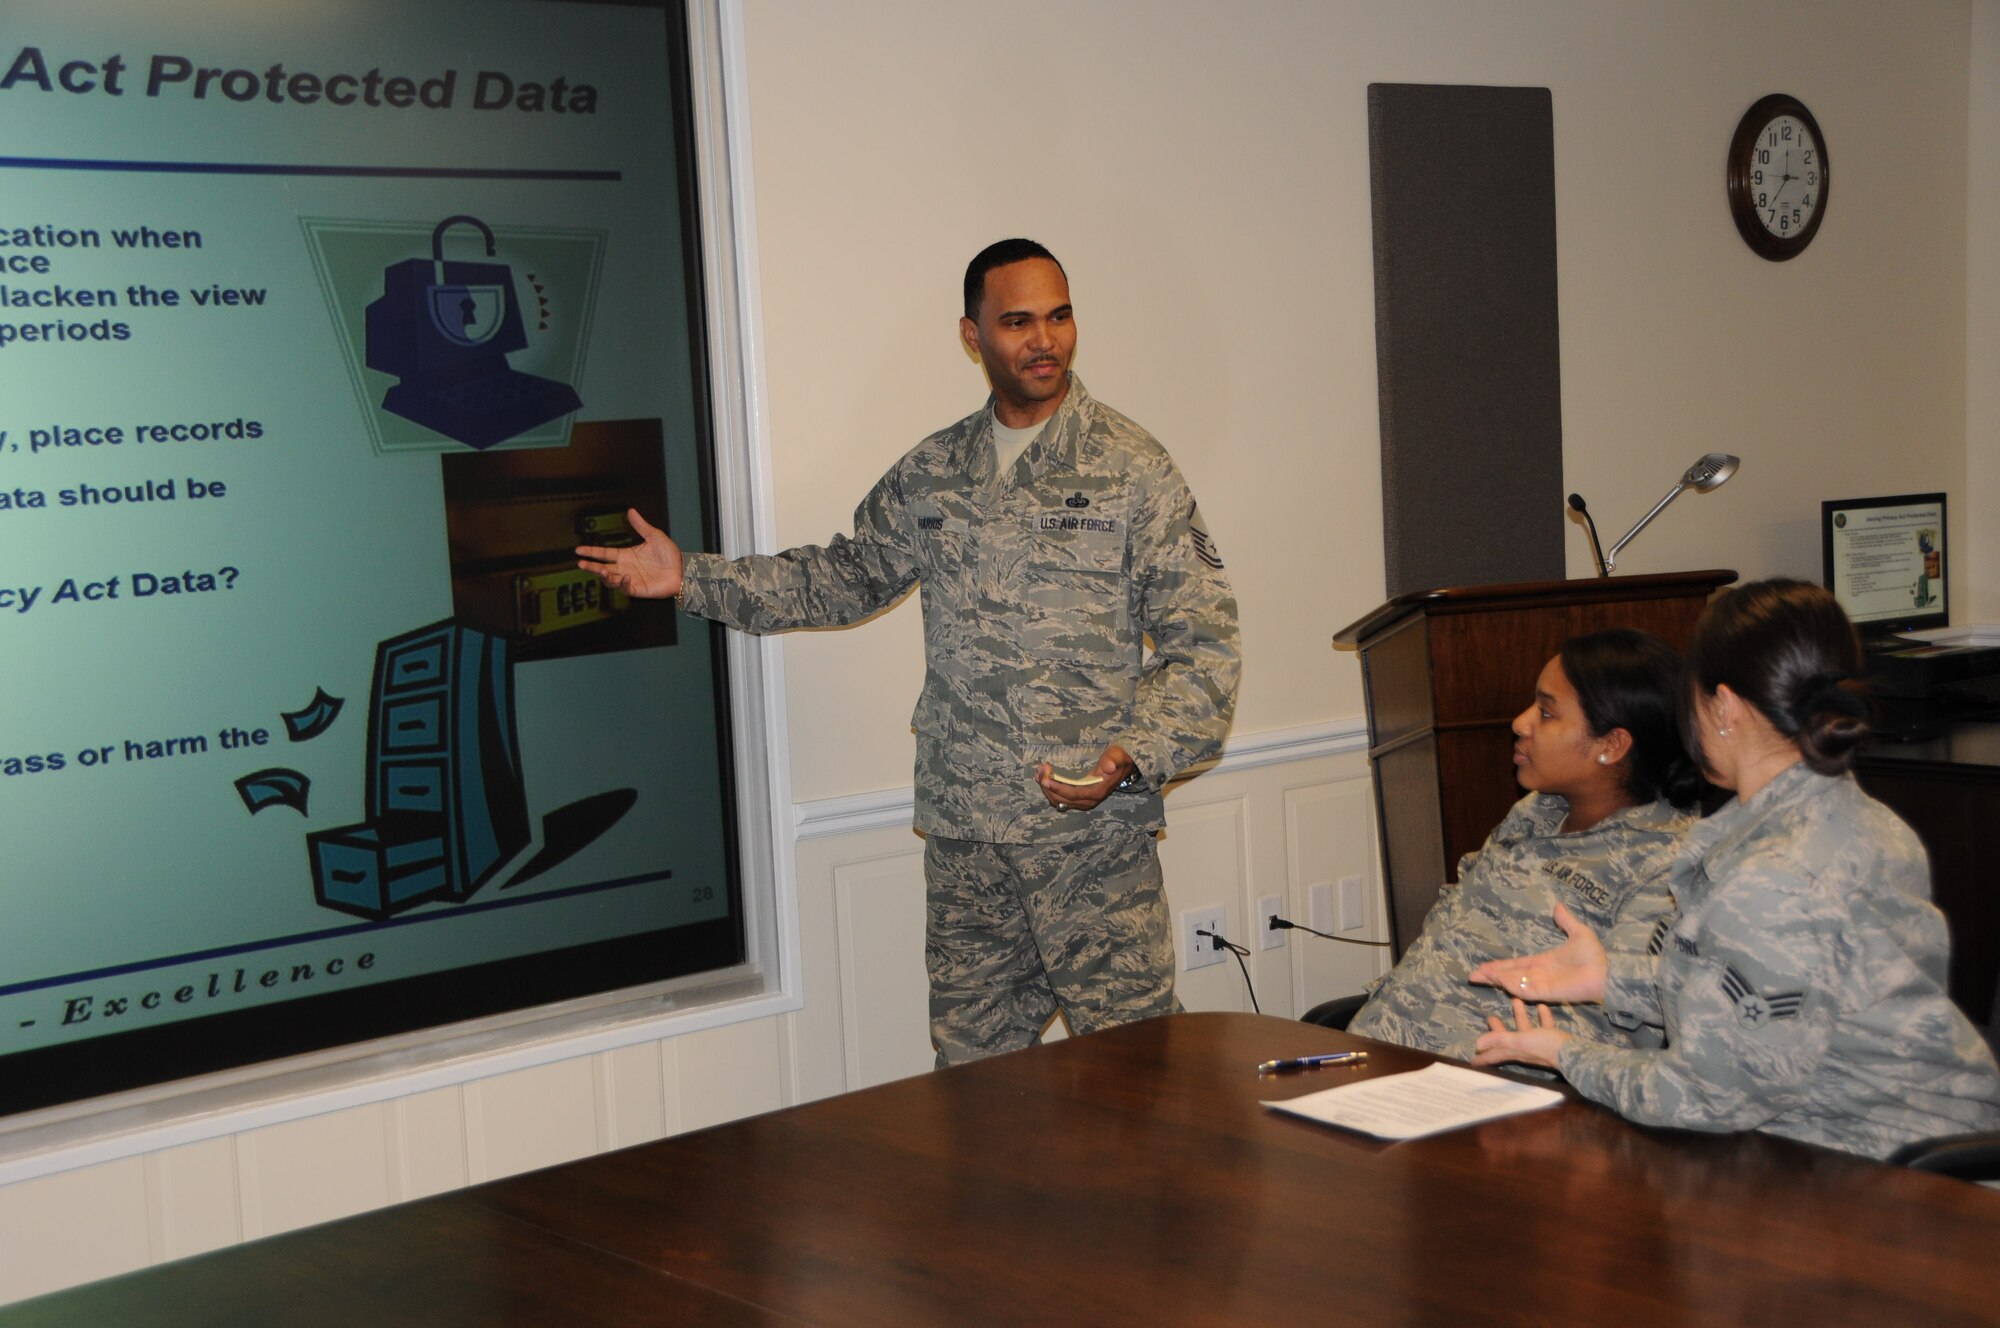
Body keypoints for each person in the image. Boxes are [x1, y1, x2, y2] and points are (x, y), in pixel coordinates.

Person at [577, 238, 1240, 1066]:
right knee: (971, 1085)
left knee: (1139, 1080)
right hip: (969, 847)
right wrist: (692, 579)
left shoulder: (1132, 468)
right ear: (973, 337)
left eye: (1060, 317)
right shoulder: (935, 472)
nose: (1046, 340)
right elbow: (842, 578)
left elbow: (1204, 649)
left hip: (1092, 847)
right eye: (1019, 322)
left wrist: (1132, 756)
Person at [1471, 579, 2000, 1159]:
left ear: (1722, 707)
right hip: (1911, 1142)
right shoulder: (1851, 816)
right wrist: (1608, 979)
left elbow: (1701, 1099)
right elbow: (1776, 992)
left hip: (1879, 1175)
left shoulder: (1773, 880)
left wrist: (1560, 1052)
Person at [1346, 629, 1700, 1061]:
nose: (1521, 722)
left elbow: (1618, 1038)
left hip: (1483, 1090)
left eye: (1547, 713)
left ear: (1611, 745)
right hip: (1377, 1051)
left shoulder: (1668, 861)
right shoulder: (1537, 813)